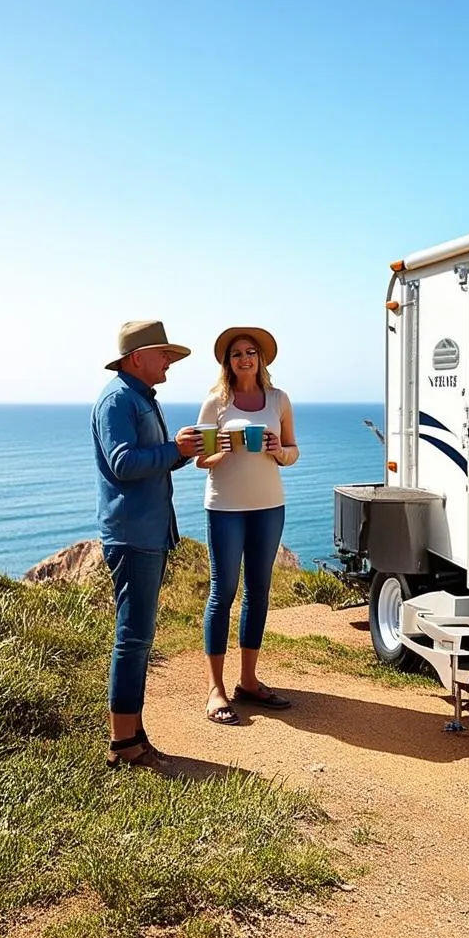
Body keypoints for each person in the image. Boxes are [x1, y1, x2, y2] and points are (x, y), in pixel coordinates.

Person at [92, 319, 202, 770]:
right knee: (133, 638)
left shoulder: (137, 398)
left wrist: (182, 452)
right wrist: (174, 450)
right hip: (132, 535)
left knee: (138, 636)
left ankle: (133, 734)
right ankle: (123, 743)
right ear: (138, 357)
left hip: (146, 532)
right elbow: (122, 463)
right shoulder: (118, 400)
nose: (170, 364)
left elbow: (147, 462)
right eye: (165, 356)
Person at [195, 326, 299, 725]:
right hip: (225, 508)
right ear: (228, 362)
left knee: (259, 591)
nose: (244, 358)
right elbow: (200, 461)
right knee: (223, 592)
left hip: (269, 506)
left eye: (250, 352)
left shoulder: (279, 399)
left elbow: (293, 450)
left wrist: (279, 451)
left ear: (261, 359)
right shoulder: (215, 403)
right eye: (237, 353)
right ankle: (215, 690)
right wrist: (219, 450)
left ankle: (249, 681)